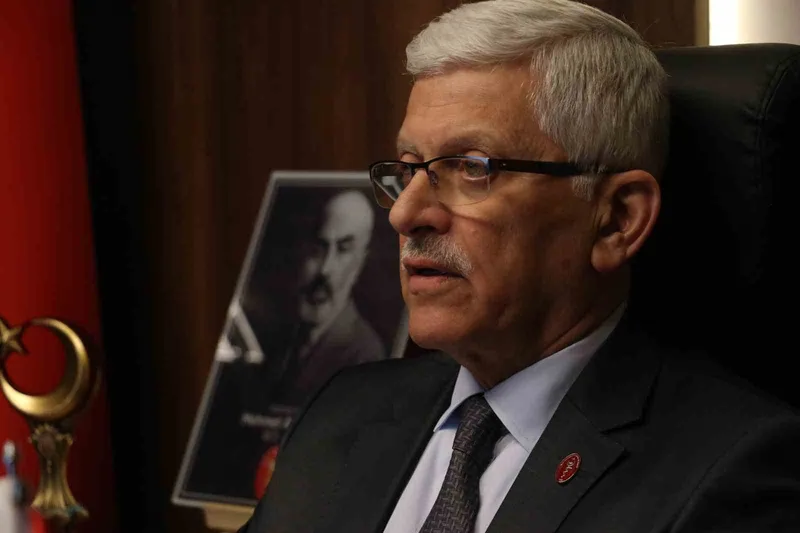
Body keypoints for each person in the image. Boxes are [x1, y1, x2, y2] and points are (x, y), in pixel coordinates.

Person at [238, 0, 800, 531]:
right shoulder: (343, 412)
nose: (406, 214)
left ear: (616, 220)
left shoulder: (732, 472)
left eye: (471, 167)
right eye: (408, 168)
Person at [185, 188, 387, 501]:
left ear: (361, 261)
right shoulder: (270, 342)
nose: (325, 269)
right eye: (318, 247)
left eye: (343, 249)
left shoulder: (366, 354)